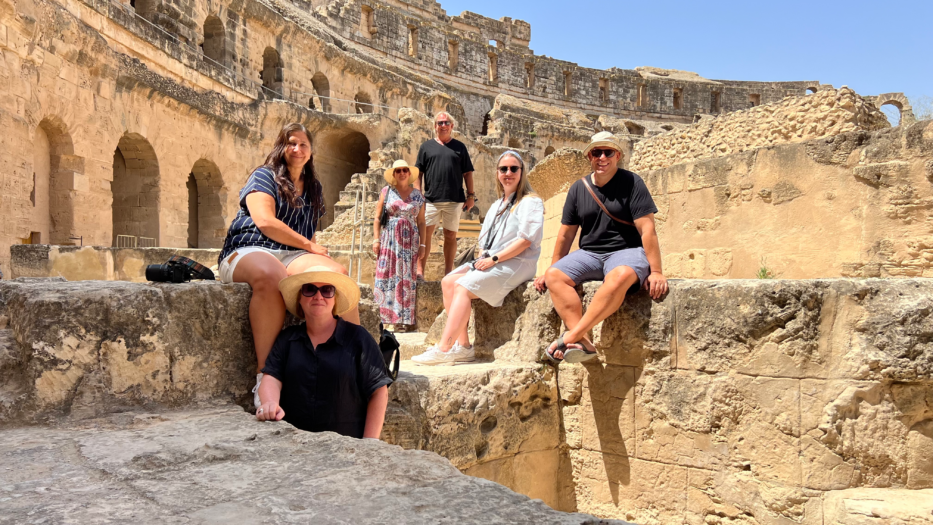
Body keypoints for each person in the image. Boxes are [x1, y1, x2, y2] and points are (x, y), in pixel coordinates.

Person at [217, 123, 359, 407]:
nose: (297, 149)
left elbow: (308, 232)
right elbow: (265, 222)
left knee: (336, 276)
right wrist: (309, 246)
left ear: (311, 152)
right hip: (248, 248)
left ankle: (355, 364)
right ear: (281, 147)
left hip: (290, 254)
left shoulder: (314, 187)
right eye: (291, 143)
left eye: (303, 144)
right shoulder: (263, 175)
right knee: (272, 276)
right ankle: (266, 379)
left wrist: (315, 253)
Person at [534, 131, 668, 363]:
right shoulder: (579, 188)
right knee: (554, 276)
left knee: (621, 275)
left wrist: (656, 271)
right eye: (597, 152)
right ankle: (582, 341)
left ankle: (570, 336)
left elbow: (647, 230)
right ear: (590, 157)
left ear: (618, 155)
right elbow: (566, 234)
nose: (602, 157)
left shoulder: (633, 183)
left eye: (608, 152)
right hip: (590, 253)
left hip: (627, 250)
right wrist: (551, 268)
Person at [412, 151, 543, 366]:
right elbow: (484, 241)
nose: (508, 173)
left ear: (522, 172)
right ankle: (463, 347)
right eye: (503, 169)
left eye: (513, 169)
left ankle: (443, 347)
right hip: (493, 259)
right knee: (448, 282)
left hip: (518, 262)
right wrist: (484, 257)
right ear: (497, 173)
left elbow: (526, 240)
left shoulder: (530, 202)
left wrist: (494, 259)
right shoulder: (496, 205)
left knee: (463, 287)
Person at [256, 267, 391, 439]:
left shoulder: (358, 338)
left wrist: (370, 442)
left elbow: (379, 391)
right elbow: (272, 377)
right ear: (300, 298)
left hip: (347, 448)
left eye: (327, 290)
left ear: (335, 300)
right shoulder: (287, 339)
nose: (318, 296)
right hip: (294, 446)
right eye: (309, 289)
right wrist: (270, 403)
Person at [414, 112, 476, 277]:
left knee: (450, 235)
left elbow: (468, 173)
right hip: (431, 199)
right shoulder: (426, 147)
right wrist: (418, 194)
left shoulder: (460, 147)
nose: (443, 125)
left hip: (454, 199)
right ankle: (420, 271)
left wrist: (471, 196)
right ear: (435, 126)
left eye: (446, 122)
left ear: (452, 126)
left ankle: (448, 272)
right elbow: (418, 173)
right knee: (424, 235)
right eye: (440, 123)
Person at [372, 160, 427, 331]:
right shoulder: (386, 191)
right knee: (386, 274)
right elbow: (377, 217)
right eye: (398, 171)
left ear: (409, 173)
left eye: (405, 170)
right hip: (389, 239)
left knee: (406, 278)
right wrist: (376, 239)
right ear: (394, 174)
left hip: (409, 241)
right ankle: (383, 317)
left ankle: (403, 319)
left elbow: (422, 221)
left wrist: (423, 244)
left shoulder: (418, 195)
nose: (402, 173)